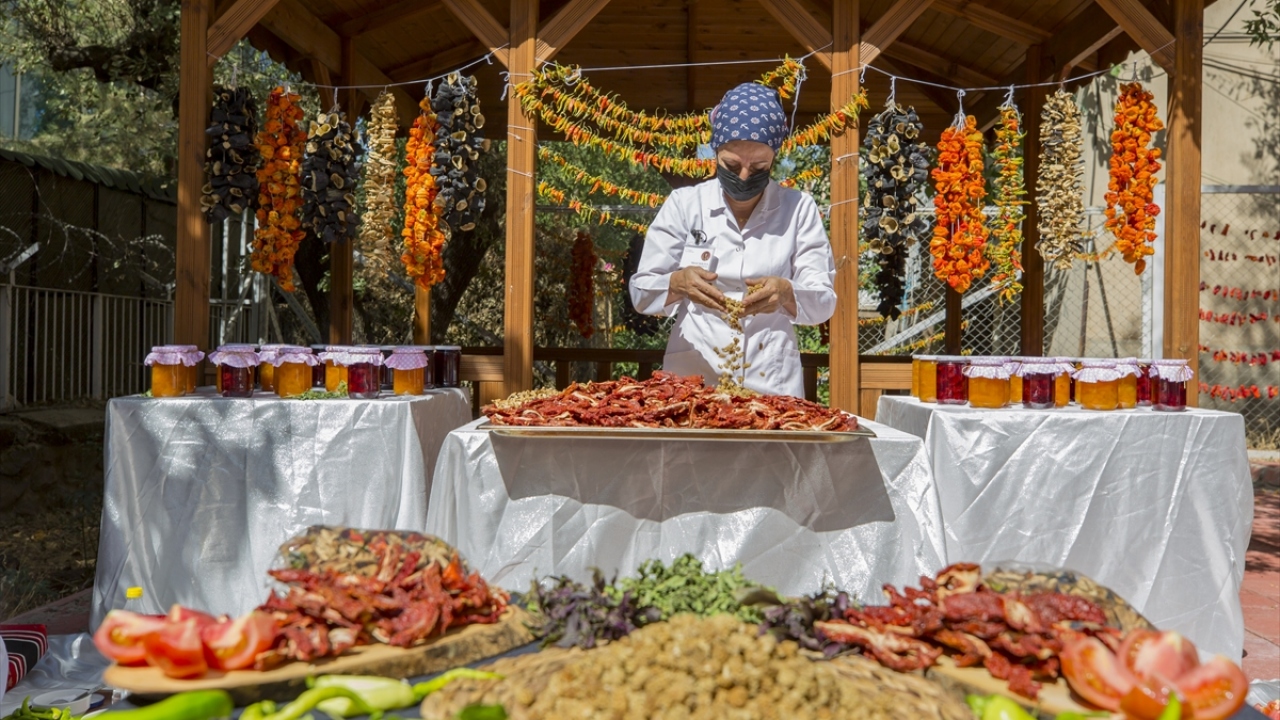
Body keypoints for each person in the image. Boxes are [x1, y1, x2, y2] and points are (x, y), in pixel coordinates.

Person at [628, 82, 837, 397]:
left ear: (774, 158)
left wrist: (787, 291)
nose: (743, 176)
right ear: (714, 151)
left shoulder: (798, 208)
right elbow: (641, 292)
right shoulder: (684, 204)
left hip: (771, 377)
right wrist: (677, 283)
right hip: (693, 378)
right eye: (731, 165)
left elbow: (823, 300)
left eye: (758, 167)